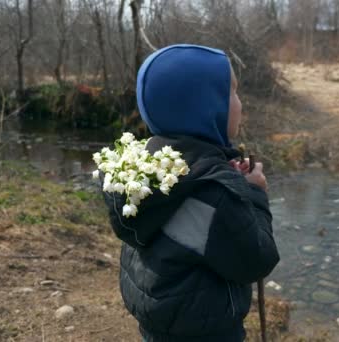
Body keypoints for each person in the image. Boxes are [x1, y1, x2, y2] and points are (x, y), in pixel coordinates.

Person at [103, 44, 280, 342]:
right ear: (205, 107)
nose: (241, 103)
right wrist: (255, 194)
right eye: (233, 93)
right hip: (208, 332)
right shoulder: (212, 194)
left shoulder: (141, 169)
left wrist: (226, 175)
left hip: (160, 325)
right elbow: (257, 261)